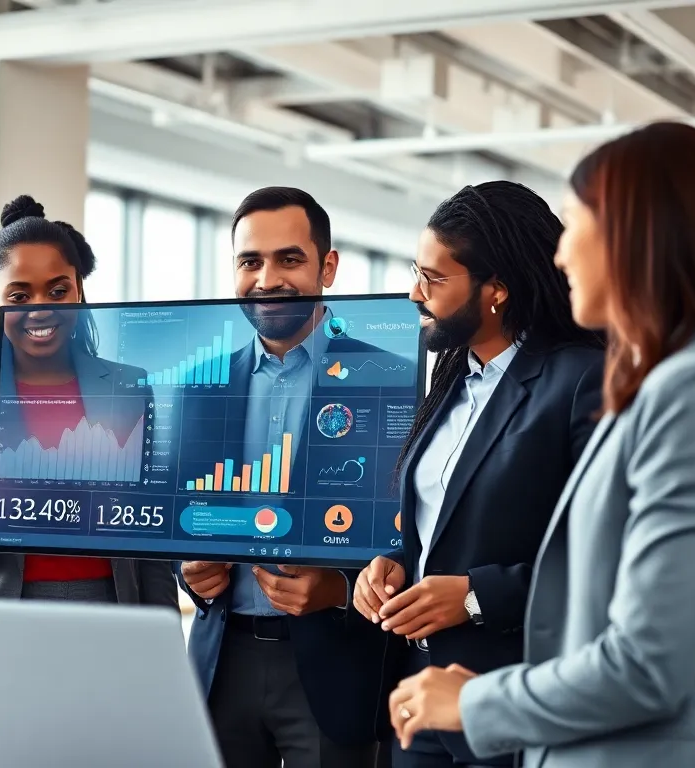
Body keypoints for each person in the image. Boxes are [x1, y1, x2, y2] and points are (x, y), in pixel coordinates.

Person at [386, 122, 695, 767]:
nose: (560, 256)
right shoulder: (662, 385)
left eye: (576, 222)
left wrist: (477, 702)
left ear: (637, 237)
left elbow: (649, 662)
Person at [350, 181, 604, 767]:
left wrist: (474, 597)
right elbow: (441, 522)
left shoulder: (581, 381)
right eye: (417, 271)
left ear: (496, 291)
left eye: (434, 279)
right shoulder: (448, 381)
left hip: (508, 695)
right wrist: (392, 566)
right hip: (417, 689)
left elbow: (596, 559)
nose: (416, 292)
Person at [178, 186, 397, 768]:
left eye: (289, 259)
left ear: (327, 266)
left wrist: (343, 589)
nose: (267, 278)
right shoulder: (200, 387)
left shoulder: (386, 380)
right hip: (221, 662)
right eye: (250, 262)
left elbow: (410, 531)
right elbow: (174, 514)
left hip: (331, 669)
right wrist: (189, 571)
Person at [0, 194, 178, 607]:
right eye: (19, 296)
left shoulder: (130, 385)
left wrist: (164, 635)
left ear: (78, 290)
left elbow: (151, 543)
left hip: (111, 605)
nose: (41, 309)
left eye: (57, 291)